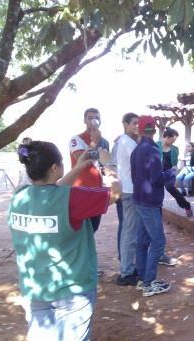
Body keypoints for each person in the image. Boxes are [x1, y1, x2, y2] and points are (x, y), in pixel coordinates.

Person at [8, 140, 120, 341]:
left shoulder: (19, 197)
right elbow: (116, 193)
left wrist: (79, 167)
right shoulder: (73, 199)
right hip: (72, 291)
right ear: (56, 167)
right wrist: (108, 164)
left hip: (36, 291)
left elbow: (51, 190)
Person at [131, 116, 175, 296]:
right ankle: (149, 283)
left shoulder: (136, 150)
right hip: (150, 202)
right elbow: (157, 179)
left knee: (142, 241)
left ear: (140, 130)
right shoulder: (153, 150)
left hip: (139, 200)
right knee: (158, 241)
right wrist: (170, 173)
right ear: (155, 129)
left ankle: (142, 279)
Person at [69, 107, 111, 232]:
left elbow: (106, 163)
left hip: (97, 190)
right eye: (90, 118)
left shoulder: (104, 142)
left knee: (93, 228)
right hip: (80, 191)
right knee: (81, 230)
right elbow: (81, 160)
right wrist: (94, 142)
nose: (94, 121)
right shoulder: (76, 139)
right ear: (84, 120)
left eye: (97, 118)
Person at [115, 112, 141, 286]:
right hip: (130, 191)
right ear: (125, 124)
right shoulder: (128, 143)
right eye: (133, 123)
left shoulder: (122, 141)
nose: (137, 126)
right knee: (130, 232)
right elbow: (139, 165)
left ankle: (128, 267)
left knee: (128, 230)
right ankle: (126, 272)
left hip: (126, 189)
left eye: (138, 123)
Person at [157, 128, 193, 217]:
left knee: (170, 188)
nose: (173, 142)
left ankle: (186, 205)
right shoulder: (156, 145)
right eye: (173, 139)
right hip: (157, 172)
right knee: (157, 192)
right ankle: (158, 213)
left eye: (175, 140)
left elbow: (174, 163)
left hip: (169, 173)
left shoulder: (175, 149)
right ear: (167, 137)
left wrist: (175, 169)